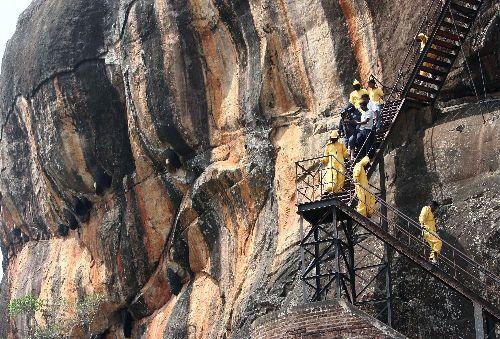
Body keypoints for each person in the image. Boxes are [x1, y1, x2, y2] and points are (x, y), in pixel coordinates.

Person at [322, 130, 349, 195]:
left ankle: (338, 189)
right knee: (332, 175)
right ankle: (330, 189)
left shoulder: (341, 144)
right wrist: (323, 160)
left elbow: (344, 152)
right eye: (332, 138)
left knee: (341, 176)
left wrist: (347, 154)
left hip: (340, 162)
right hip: (332, 163)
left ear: (337, 138)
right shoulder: (328, 146)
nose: (333, 139)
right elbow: (326, 155)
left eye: (334, 138)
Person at [353, 152, 376, 218]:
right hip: (361, 187)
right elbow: (356, 173)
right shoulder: (359, 165)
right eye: (368, 165)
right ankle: (361, 214)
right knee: (363, 201)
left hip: (364, 187)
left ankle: (369, 212)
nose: (367, 167)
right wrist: (356, 179)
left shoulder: (362, 168)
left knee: (370, 198)